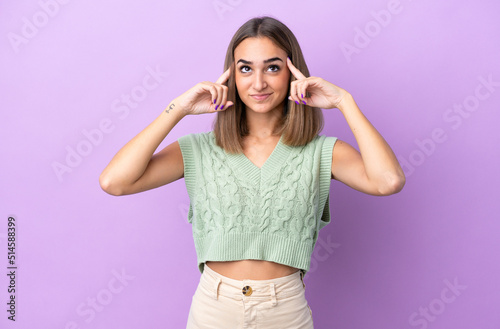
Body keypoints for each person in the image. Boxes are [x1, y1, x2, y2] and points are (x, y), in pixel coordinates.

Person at [99, 15, 405, 329]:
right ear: (232, 76)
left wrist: (344, 101)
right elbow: (115, 181)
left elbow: (388, 180)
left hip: (285, 311)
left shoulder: (321, 152)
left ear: (291, 73)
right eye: (246, 68)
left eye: (272, 67)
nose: (258, 83)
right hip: (213, 310)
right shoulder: (199, 149)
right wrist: (178, 108)